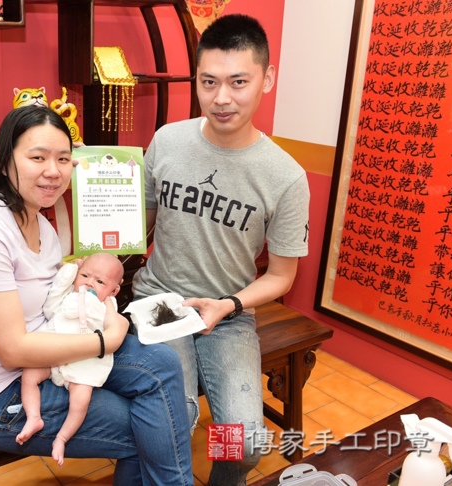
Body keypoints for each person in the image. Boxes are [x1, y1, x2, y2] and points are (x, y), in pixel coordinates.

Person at [0, 105, 193, 485]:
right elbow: (12, 350)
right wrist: (105, 340)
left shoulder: (41, 226)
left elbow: (54, 305)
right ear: (5, 162)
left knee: (162, 363)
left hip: (47, 355)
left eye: (63, 159)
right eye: (38, 157)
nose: (53, 170)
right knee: (145, 428)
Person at [132, 14, 310, 486]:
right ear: (196, 79)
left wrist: (228, 305)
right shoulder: (168, 140)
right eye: (208, 82)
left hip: (228, 313)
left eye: (238, 82)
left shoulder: (286, 177)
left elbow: (281, 276)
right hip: (160, 301)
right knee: (176, 419)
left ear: (267, 79)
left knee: (245, 442)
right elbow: (138, 227)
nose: (221, 98)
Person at [17, 252, 124, 466]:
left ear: (113, 291)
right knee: (29, 375)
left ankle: (62, 438)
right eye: (85, 276)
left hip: (83, 364)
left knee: (81, 400)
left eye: (100, 282)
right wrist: (70, 270)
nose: (89, 283)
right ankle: (33, 417)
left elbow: (112, 327)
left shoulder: (107, 305)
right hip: (54, 354)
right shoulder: (67, 297)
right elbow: (50, 306)